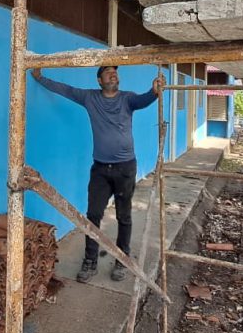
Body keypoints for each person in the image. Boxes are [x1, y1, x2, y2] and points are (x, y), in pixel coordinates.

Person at [31, 66, 164, 282]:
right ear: (99, 80)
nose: (114, 75)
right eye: (109, 72)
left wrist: (154, 91)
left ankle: (122, 260)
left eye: (116, 72)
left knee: (124, 216)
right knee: (93, 216)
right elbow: (65, 89)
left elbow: (143, 100)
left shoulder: (127, 99)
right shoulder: (89, 97)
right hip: (101, 169)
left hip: (125, 168)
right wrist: (40, 78)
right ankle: (90, 261)